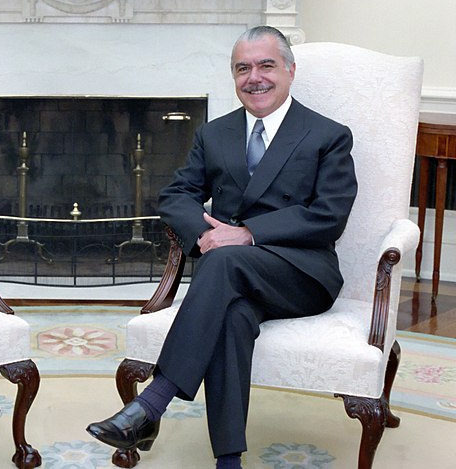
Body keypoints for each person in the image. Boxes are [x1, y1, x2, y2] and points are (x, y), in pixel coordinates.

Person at [86, 26, 358, 469]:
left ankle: (152, 403)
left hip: (302, 274)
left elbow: (330, 215)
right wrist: (205, 234)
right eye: (242, 68)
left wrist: (247, 232)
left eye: (266, 65)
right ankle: (228, 460)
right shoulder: (214, 134)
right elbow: (176, 196)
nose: (255, 77)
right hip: (232, 279)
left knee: (227, 257)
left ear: (290, 70)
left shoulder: (327, 134)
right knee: (231, 317)